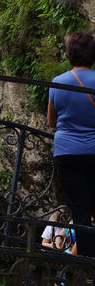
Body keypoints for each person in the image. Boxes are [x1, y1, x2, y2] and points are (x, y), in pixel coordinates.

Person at [47, 30, 95, 264]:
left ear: (68, 55)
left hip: (67, 151)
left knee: (80, 211)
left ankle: (86, 267)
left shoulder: (58, 82)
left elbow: (52, 121)